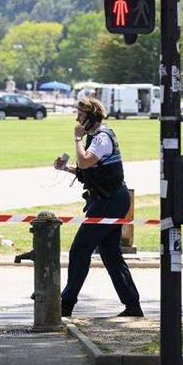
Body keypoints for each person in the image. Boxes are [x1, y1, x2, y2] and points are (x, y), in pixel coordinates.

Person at [56, 96, 142, 318]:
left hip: (110, 201)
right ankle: (133, 306)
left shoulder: (101, 138)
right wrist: (66, 168)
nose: (77, 118)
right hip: (108, 199)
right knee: (110, 254)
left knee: (80, 249)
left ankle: (66, 304)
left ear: (91, 116)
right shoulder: (96, 138)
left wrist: (76, 139)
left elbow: (85, 161)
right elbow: (89, 171)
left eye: (81, 114)